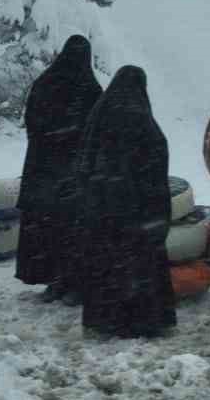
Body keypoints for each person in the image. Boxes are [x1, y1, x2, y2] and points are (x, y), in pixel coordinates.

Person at [76, 65, 177, 339]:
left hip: (104, 208)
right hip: (136, 209)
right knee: (139, 264)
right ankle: (140, 321)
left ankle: (106, 320)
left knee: (107, 263)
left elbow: (85, 161)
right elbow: (154, 161)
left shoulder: (101, 114)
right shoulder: (141, 118)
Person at [15, 35, 102, 302]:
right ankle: (73, 284)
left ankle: (53, 282)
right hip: (73, 177)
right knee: (73, 232)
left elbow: (32, 125)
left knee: (46, 231)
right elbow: (97, 130)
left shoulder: (44, 83)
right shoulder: (89, 88)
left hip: (42, 172)